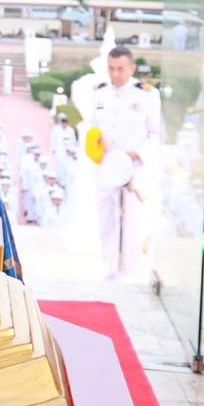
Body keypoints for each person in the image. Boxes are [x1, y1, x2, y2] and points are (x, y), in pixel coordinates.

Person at [83, 44, 162, 278]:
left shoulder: (146, 94)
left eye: (120, 69)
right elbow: (94, 129)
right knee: (105, 216)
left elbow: (155, 134)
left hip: (133, 167)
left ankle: (130, 271)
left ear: (132, 68)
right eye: (111, 68)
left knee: (132, 221)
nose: (115, 74)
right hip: (106, 167)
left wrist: (134, 155)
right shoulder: (100, 92)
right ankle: (109, 268)